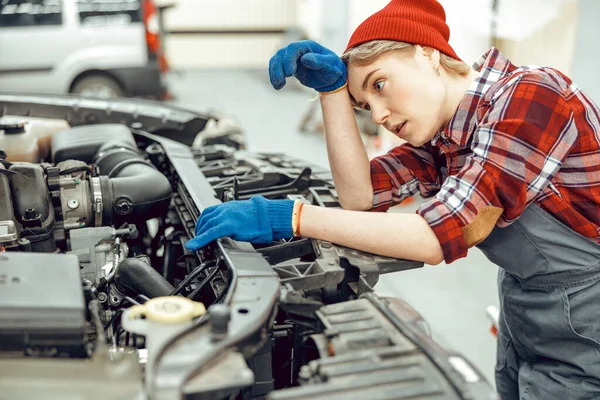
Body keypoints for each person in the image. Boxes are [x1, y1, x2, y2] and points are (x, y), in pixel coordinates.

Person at [185, 0, 600, 398]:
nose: (379, 115)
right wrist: (334, 93)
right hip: (526, 305)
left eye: (380, 85)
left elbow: (434, 237)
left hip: (586, 317)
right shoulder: (446, 138)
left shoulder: (532, 97)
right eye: (366, 104)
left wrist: (291, 216)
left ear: (428, 55)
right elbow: (359, 195)